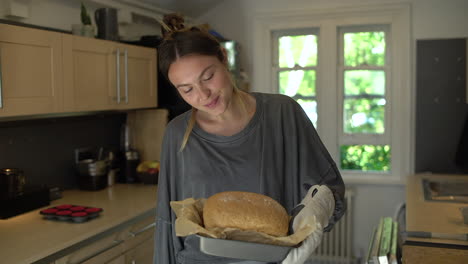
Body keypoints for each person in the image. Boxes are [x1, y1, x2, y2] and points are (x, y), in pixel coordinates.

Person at [154, 26, 346, 264]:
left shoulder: (282, 114)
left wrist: (315, 215)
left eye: (208, 77)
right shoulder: (177, 133)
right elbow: (166, 222)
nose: (203, 95)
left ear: (224, 58)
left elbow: (330, 189)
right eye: (187, 90)